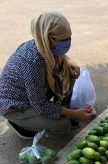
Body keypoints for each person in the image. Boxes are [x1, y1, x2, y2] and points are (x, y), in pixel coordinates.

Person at [0, 11, 93, 139]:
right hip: (16, 105)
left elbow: (60, 57)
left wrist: (69, 61)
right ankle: (20, 124)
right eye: (63, 39)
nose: (68, 42)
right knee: (63, 126)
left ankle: (59, 112)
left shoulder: (43, 45)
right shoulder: (32, 61)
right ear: (46, 37)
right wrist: (73, 114)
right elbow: (40, 104)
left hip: (33, 94)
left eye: (69, 37)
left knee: (69, 72)